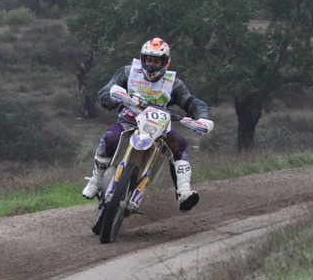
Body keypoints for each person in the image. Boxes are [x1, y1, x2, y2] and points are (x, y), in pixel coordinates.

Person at [81, 37, 214, 212]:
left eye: (156, 61)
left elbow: (193, 103)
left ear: (165, 63)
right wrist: (112, 96)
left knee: (179, 145)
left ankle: (183, 193)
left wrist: (202, 117)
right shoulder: (128, 73)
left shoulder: (173, 83)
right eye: (149, 60)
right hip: (128, 123)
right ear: (143, 59)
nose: (151, 65)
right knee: (110, 136)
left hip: (159, 130)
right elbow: (106, 90)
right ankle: (96, 180)